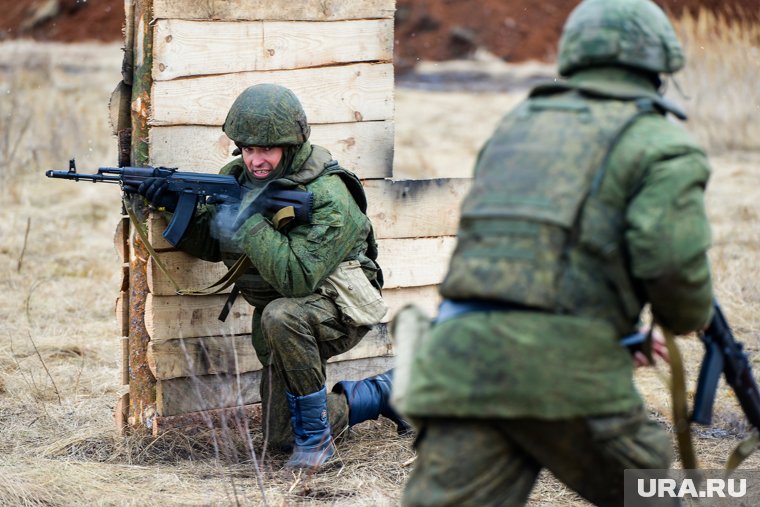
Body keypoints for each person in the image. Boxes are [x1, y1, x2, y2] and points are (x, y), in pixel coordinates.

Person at [399, 0, 713, 505]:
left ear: (575, 56)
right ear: (655, 66)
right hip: (564, 374)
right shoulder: (661, 144)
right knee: (656, 494)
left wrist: (618, 333)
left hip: (460, 361)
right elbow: (673, 268)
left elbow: (525, 258)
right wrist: (684, 317)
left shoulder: (516, 128)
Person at [136, 83, 408, 469]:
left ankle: (318, 445)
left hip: (338, 310)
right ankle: (387, 393)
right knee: (280, 438)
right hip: (282, 321)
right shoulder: (239, 179)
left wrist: (247, 221)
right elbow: (214, 245)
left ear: (291, 147)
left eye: (267, 149)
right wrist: (169, 203)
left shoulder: (330, 195)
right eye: (248, 149)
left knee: (283, 313)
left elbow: (297, 279)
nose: (256, 160)